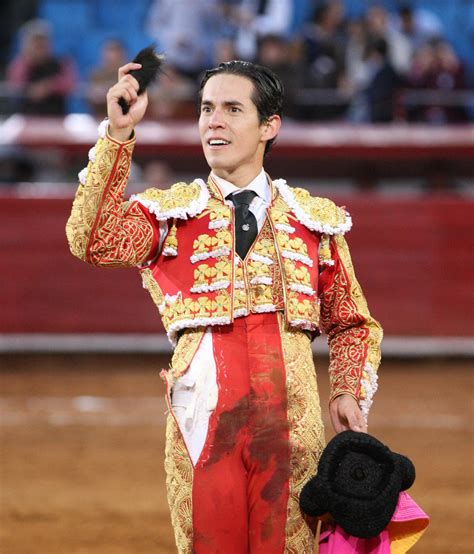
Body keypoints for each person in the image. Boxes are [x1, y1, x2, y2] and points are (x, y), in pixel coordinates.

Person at [66, 59, 382, 552]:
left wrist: (346, 390)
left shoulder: (313, 221)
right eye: (207, 108)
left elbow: (351, 322)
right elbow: (92, 239)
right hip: (202, 431)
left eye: (233, 109)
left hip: (291, 432)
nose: (214, 120)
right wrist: (119, 134)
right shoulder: (173, 214)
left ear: (268, 126)